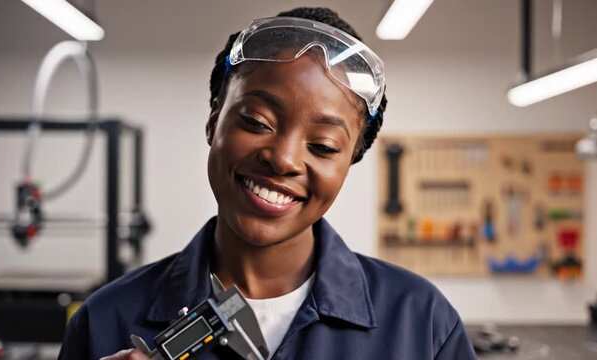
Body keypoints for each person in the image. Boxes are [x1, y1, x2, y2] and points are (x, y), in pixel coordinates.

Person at [59, 7, 476, 360]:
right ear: (214, 119)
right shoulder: (104, 322)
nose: (283, 158)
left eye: (324, 146)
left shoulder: (422, 325)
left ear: (350, 161)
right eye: (257, 122)